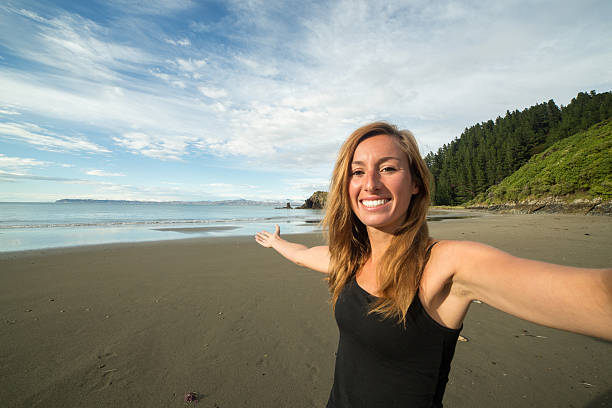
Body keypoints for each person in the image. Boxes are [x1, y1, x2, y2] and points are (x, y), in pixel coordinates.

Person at [254, 122, 612, 408]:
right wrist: (278, 243)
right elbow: (309, 256)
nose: (371, 183)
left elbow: (598, 297)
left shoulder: (447, 264)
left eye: (388, 168)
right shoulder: (353, 260)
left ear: (415, 185)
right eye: (357, 172)